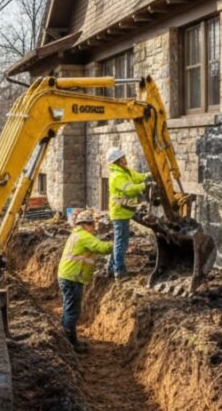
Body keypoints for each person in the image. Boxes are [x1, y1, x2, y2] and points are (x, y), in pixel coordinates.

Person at [57, 210, 112, 353]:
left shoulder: (75, 234)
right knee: (72, 311)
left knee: (68, 308)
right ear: (86, 225)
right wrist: (118, 244)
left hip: (68, 276)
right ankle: (71, 344)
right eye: (93, 225)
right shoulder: (83, 236)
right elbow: (100, 247)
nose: (94, 228)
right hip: (73, 277)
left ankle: (65, 339)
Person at [106, 147, 150, 278]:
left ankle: (110, 268)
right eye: (123, 158)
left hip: (124, 212)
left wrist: (149, 175)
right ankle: (119, 270)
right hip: (119, 213)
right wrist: (144, 187)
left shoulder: (126, 171)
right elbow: (129, 189)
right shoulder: (117, 176)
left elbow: (138, 177)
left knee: (120, 241)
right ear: (117, 161)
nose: (126, 160)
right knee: (121, 242)